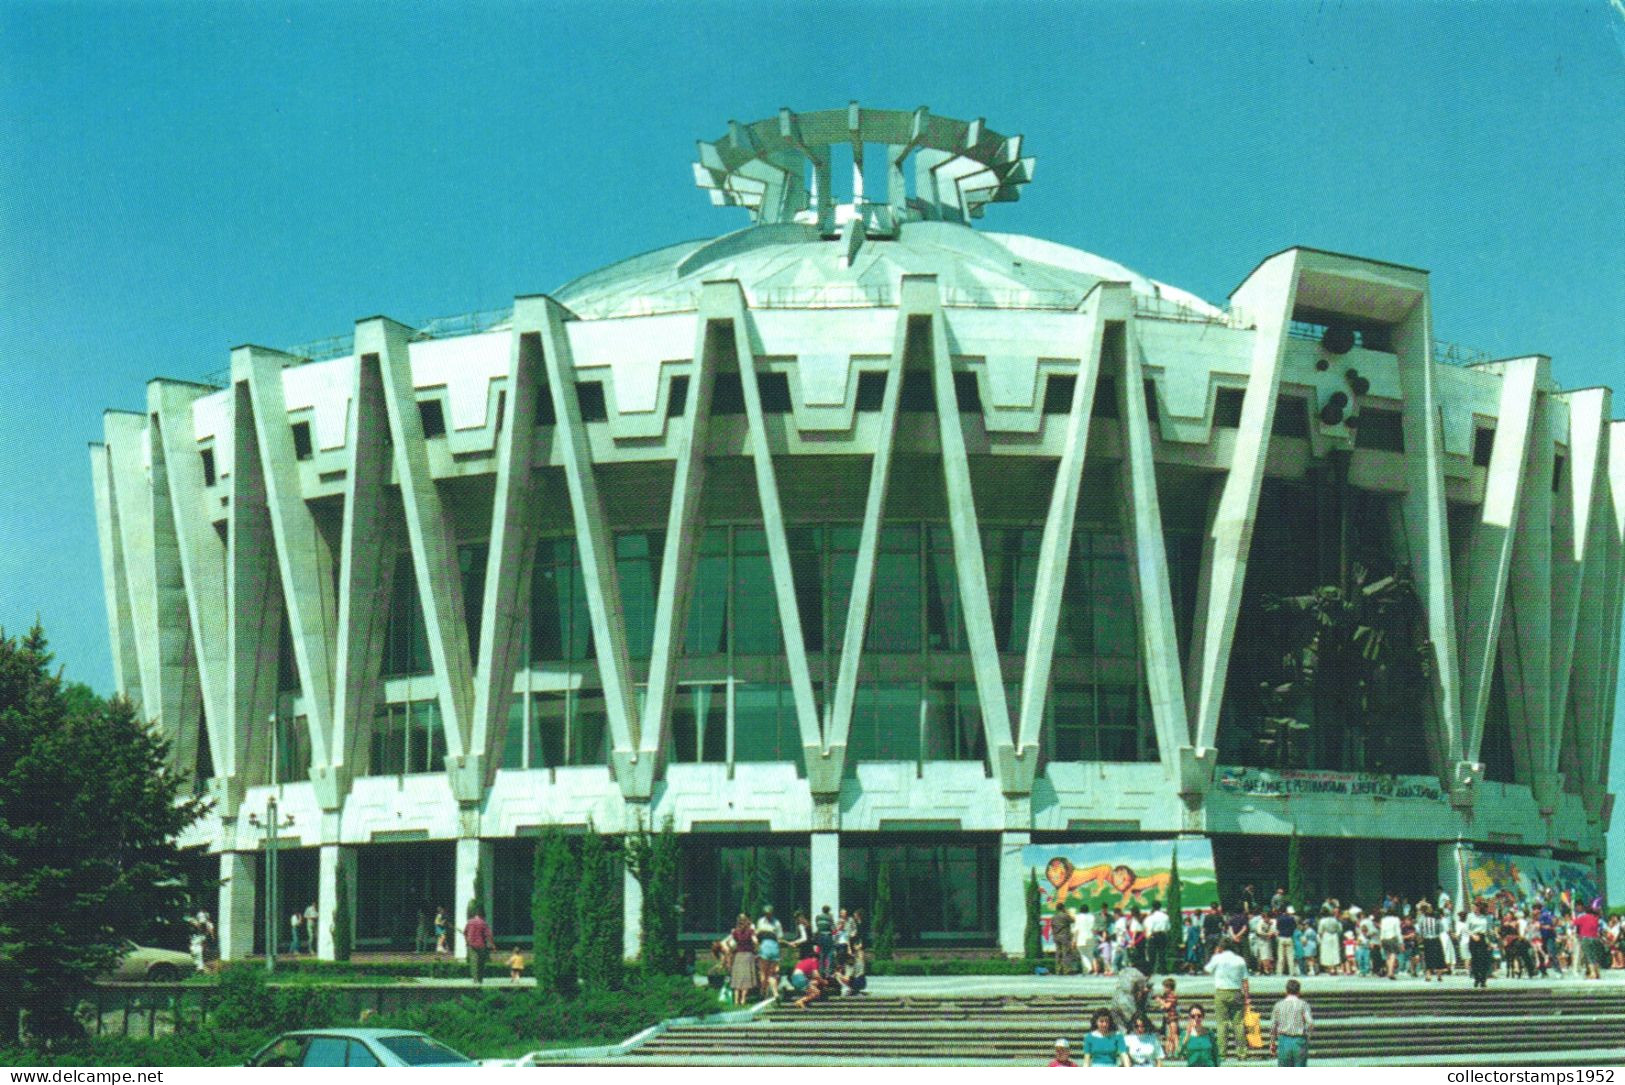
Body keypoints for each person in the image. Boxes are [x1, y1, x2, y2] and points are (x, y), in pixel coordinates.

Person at [1203, 938, 1250, 1062]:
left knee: (1222, 1023)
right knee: (1238, 1023)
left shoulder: (1217, 958)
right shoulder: (1240, 960)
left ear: (1221, 947)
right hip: (1236, 991)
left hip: (1221, 991)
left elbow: (1207, 970)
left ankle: (1222, 1053)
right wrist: (1247, 997)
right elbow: (1245, 980)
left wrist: (1215, 954)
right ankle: (1242, 1052)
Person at [1269, 978, 1314, 1066]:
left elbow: (1273, 1026)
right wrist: (1307, 1036)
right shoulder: (1303, 1004)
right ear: (1299, 991)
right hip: (1299, 1040)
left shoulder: (1278, 1005)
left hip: (1284, 1040)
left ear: (1286, 991)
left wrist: (1272, 1042)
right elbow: (1310, 1023)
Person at [1110, 961, 1149, 1034]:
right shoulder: (1140, 976)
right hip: (1127, 1000)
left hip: (1115, 999)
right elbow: (1142, 992)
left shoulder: (1124, 971)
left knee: (1120, 1026)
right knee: (1134, 1023)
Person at [730, 913, 758, 1006]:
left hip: (738, 956)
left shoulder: (735, 931)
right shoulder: (750, 931)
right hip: (748, 955)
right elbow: (755, 941)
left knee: (737, 978)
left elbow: (731, 944)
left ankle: (736, 1000)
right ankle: (743, 1000)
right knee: (746, 978)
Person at [756, 905, 783, 992]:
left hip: (772, 947)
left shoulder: (776, 923)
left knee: (770, 972)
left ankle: (765, 990)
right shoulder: (761, 921)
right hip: (765, 946)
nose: (768, 915)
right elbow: (757, 935)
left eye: (769, 914)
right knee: (764, 971)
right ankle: (764, 990)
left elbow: (779, 938)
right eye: (767, 914)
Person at [463, 907, 493, 985]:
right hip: (481, 945)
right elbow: (488, 935)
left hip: (471, 945)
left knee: (473, 962)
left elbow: (465, 932)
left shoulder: (469, 922)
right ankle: (480, 979)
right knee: (481, 963)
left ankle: (475, 979)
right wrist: (491, 944)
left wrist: (467, 941)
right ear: (482, 915)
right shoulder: (483, 923)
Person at [1417, 902, 1447, 981]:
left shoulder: (1422, 920)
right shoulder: (1436, 919)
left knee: (1430, 957)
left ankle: (1432, 975)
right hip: (1434, 939)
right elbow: (1441, 929)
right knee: (1436, 957)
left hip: (1429, 939)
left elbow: (1420, 931)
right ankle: (1436, 975)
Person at [1575, 905, 1604, 980]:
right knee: (1595, 956)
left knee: (1589, 957)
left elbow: (1575, 923)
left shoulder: (1583, 917)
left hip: (1586, 938)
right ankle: (1597, 973)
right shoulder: (1595, 918)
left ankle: (1593, 973)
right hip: (1595, 938)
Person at [1156, 978, 1180, 1058]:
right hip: (1168, 1018)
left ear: (1170, 987)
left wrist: (1160, 1001)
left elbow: (1167, 1006)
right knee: (1169, 1036)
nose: (1164, 989)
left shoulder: (1173, 995)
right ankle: (1169, 1052)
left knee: (1174, 1035)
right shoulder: (1167, 996)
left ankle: (1178, 1051)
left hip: (1173, 1018)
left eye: (1165, 987)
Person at [1075, 902, 1099, 975]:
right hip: (1090, 936)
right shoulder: (1091, 916)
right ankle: (1088, 969)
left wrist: (1074, 939)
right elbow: (1094, 928)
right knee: (1090, 954)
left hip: (1081, 937)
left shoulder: (1078, 917)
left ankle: (1088, 968)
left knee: (1083, 954)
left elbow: (1076, 929)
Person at [1052, 902, 1076, 975]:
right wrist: (1068, 912)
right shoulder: (1065, 916)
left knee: (1058, 953)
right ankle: (1067, 970)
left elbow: (1052, 927)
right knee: (1066, 953)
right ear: (1063, 908)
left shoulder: (1054, 917)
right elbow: (1073, 920)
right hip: (1065, 936)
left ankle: (1058, 970)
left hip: (1056, 936)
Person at [1146, 903, 1170, 975]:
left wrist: (1149, 935)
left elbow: (1150, 927)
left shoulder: (1152, 917)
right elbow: (1168, 927)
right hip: (1162, 935)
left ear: (1153, 907)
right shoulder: (1165, 916)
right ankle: (1163, 970)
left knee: (1152, 954)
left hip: (1154, 935)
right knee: (1162, 953)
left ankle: (1151, 970)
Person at [1316, 907, 1341, 976]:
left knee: (1327, 953)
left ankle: (1331, 969)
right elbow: (1339, 929)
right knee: (1335, 952)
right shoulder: (1334, 920)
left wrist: (1320, 939)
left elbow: (1320, 931)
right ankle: (1335, 968)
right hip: (1334, 936)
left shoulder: (1322, 921)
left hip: (1326, 936)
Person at [1378, 908, 1402, 979]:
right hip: (1392, 937)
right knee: (1393, 955)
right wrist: (1401, 941)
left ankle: (1389, 971)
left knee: (1387, 956)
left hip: (1384, 938)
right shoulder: (1396, 919)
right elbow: (1398, 931)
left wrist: (1381, 940)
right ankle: (1391, 972)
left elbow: (1382, 930)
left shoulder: (1383, 920)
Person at [1275, 907, 1297, 976]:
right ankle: (1292, 972)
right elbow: (1294, 927)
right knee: (1290, 956)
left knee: (1281, 956)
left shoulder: (1279, 918)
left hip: (1281, 937)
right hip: (1289, 938)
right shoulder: (1291, 918)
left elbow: (1278, 927)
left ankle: (1279, 972)